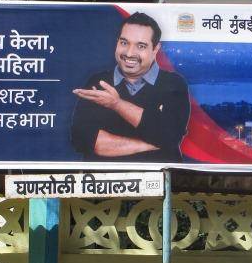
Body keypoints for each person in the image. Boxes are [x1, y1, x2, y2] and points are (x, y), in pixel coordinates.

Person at [70, 12, 190, 162]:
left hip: (159, 180)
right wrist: (152, 144)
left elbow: (170, 135)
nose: (129, 53)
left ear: (155, 49)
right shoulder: (98, 82)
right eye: (124, 43)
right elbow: (83, 140)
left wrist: (116, 104)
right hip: (105, 182)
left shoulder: (174, 84)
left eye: (141, 46)